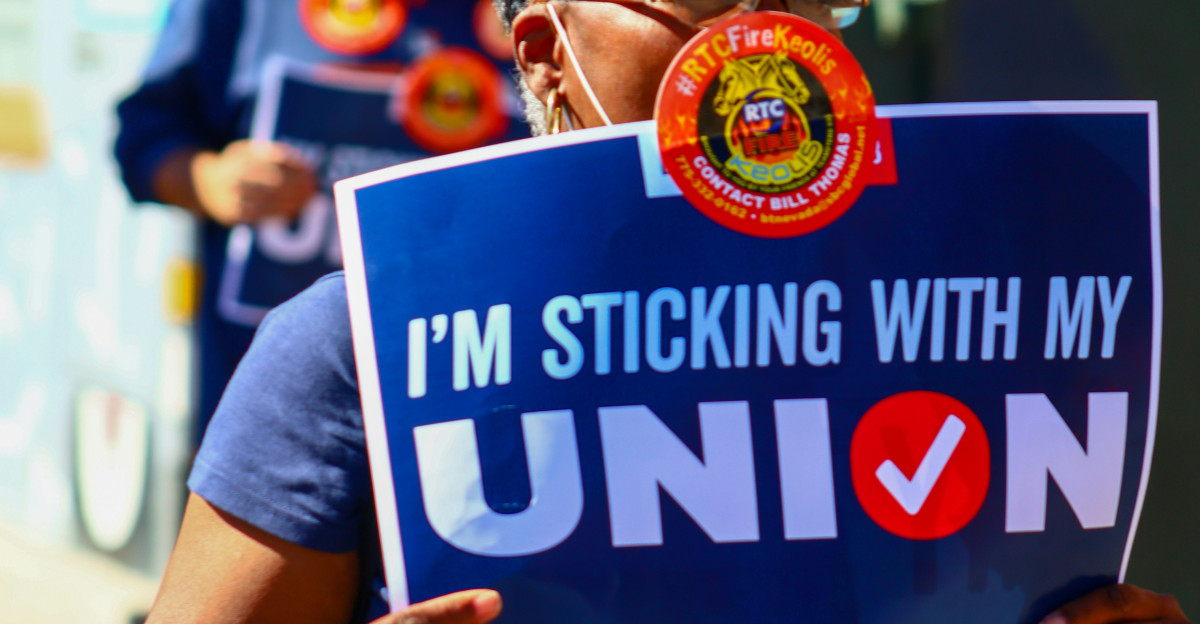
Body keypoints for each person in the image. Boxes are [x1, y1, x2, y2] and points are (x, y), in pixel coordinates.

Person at [145, 2, 1193, 623]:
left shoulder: (963, 333)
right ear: (547, 52)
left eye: (808, 1)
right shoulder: (356, 345)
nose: (761, 41)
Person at [114, 0, 523, 444]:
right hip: (268, 408)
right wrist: (208, 181)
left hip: (478, 395)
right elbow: (143, 137)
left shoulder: (548, 13)